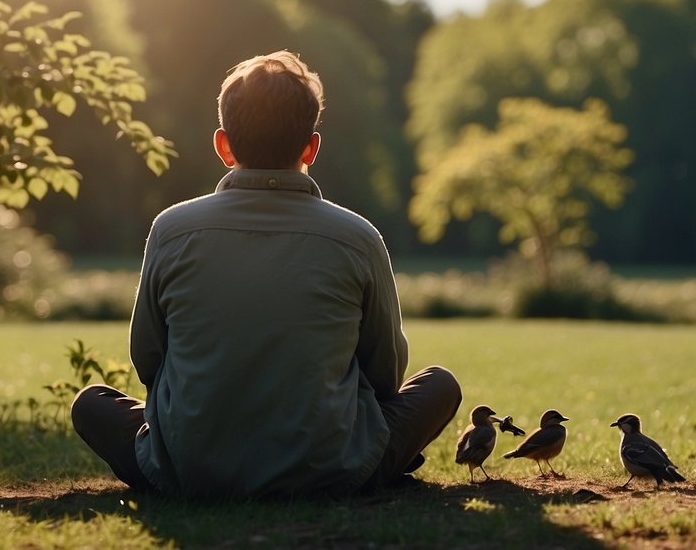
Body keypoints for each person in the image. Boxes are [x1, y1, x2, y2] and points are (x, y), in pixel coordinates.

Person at [71, 51, 461, 498]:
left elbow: (148, 360)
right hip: (331, 469)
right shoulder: (359, 237)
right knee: (440, 386)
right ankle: (379, 461)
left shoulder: (171, 229)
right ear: (311, 148)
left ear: (223, 145)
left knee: (93, 405)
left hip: (191, 468)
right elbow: (386, 375)